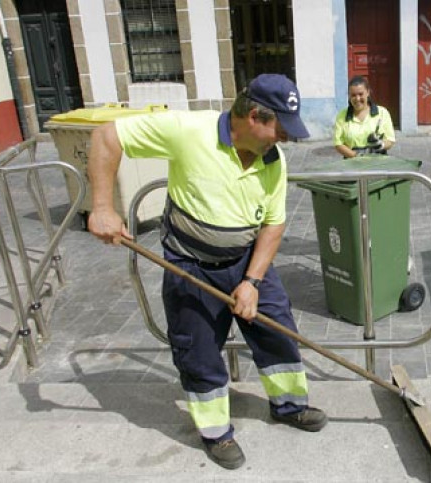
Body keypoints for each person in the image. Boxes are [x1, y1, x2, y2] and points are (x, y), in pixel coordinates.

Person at [86, 74, 327, 470]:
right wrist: (102, 206)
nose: (283, 138)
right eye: (279, 128)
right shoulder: (188, 130)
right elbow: (107, 138)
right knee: (197, 352)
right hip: (189, 265)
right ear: (254, 117)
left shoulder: (273, 161)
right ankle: (216, 432)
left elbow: (273, 224)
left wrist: (251, 282)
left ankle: (289, 407)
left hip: (246, 261)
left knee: (277, 330)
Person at [333, 75, 396, 158]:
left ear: (368, 92)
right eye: (353, 95)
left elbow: (390, 140)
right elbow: (338, 143)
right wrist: (357, 156)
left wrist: (380, 145)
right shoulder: (342, 116)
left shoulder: (382, 113)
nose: (357, 98)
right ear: (349, 96)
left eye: (360, 94)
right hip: (353, 164)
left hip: (378, 162)